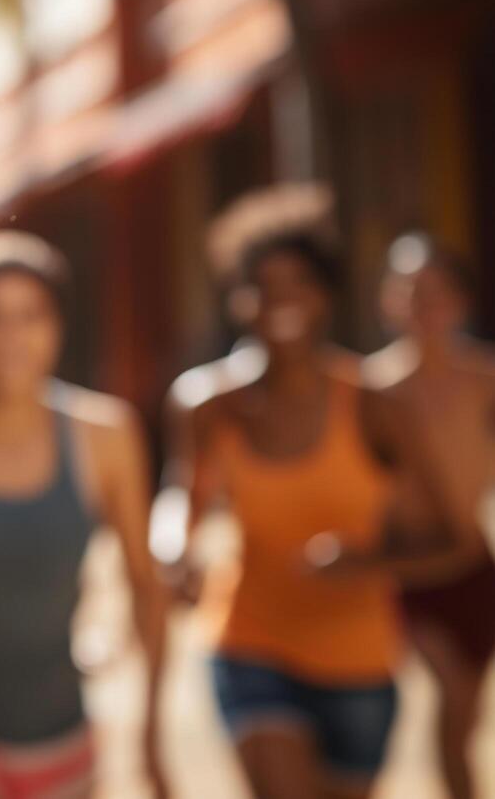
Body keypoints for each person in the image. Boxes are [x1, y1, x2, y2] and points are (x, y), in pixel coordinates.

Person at [166, 187, 452, 799]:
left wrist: (365, 561)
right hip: (247, 643)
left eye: (299, 281)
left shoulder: (377, 405)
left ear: (326, 293)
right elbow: (179, 500)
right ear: (236, 298)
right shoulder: (206, 404)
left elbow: (448, 538)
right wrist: (172, 551)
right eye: (261, 284)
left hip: (361, 663)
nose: (281, 300)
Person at [0, 232, 168, 799]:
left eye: (30, 315)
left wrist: (150, 736)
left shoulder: (105, 435)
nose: (12, 337)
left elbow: (146, 586)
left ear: (59, 324)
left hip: (63, 735)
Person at [363, 232, 495, 799]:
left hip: (475, 565)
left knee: (465, 719)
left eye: (435, 292)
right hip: (410, 574)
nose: (423, 306)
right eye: (410, 292)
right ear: (389, 302)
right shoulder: (368, 390)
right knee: (452, 694)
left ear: (460, 302)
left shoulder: (485, 382)